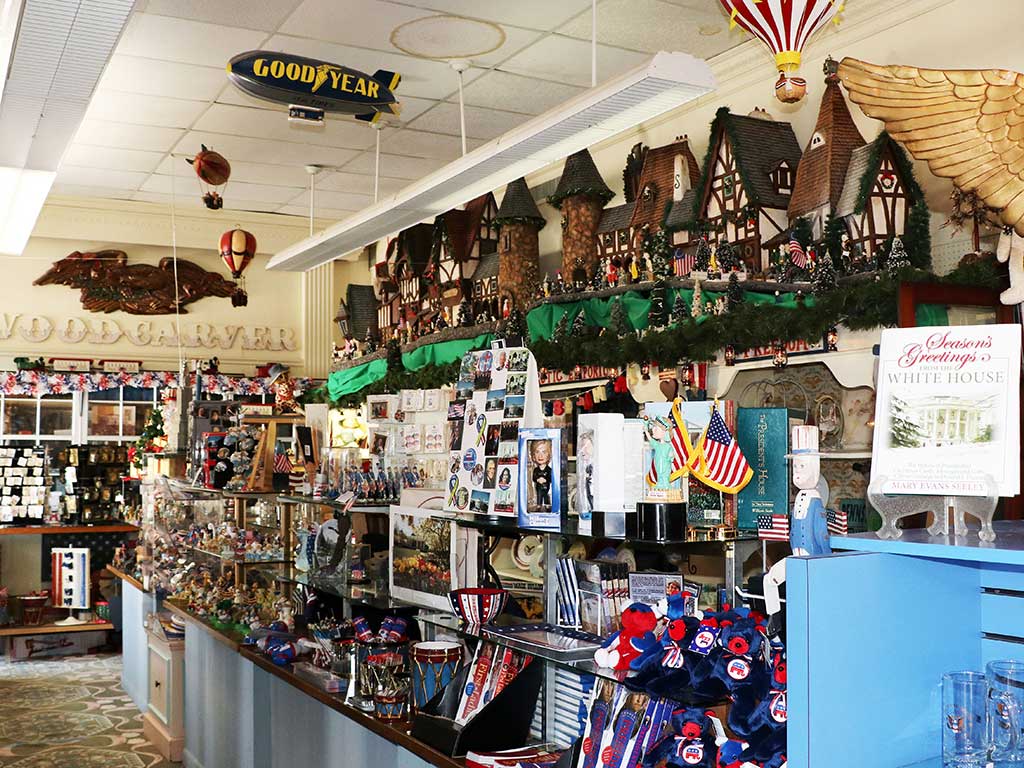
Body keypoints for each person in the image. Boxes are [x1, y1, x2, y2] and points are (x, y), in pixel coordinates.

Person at [530, 439, 552, 509]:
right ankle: (539, 505)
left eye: (544, 452)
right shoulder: (536, 470)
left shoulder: (549, 469)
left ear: (549, 455)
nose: (540, 456)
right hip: (539, 487)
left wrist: (546, 480)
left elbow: (551, 478)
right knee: (539, 495)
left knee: (546, 495)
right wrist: (537, 479)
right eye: (537, 452)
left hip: (546, 487)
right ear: (533, 455)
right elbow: (534, 478)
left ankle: (547, 504)